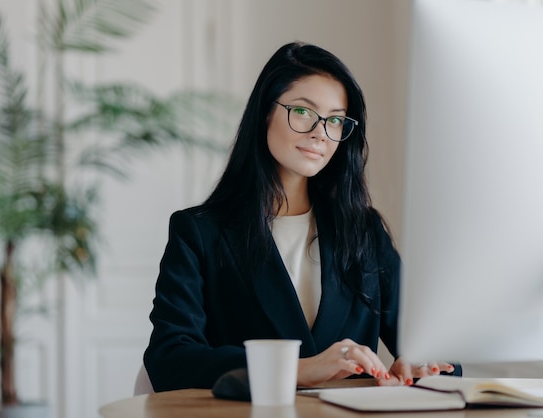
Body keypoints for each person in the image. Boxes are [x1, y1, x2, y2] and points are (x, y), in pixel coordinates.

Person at [143, 41, 456, 392]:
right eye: (304, 112)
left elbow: (437, 350)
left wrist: (424, 363)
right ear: (265, 112)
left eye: (335, 120)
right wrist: (297, 369)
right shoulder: (200, 231)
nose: (320, 133)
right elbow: (169, 358)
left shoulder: (363, 231)